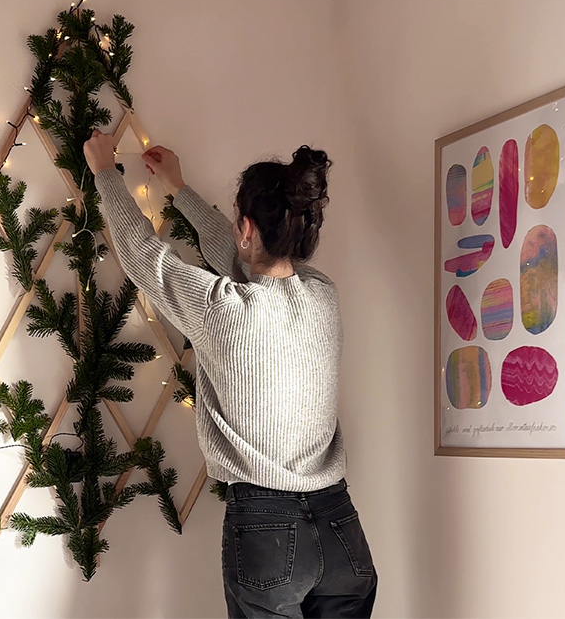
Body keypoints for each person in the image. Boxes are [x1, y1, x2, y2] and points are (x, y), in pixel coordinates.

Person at [83, 130, 376, 618]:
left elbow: (142, 254)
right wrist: (179, 188)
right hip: (341, 533)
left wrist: (104, 173)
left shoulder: (222, 310)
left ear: (246, 227)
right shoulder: (322, 295)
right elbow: (243, 260)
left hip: (267, 530)